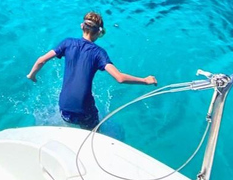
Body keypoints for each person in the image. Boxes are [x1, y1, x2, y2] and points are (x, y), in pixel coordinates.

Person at [26, 12, 157, 130]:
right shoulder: (98, 53)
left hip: (64, 108)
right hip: (84, 110)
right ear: (99, 33)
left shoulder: (67, 43)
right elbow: (120, 78)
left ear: (82, 26)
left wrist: (32, 75)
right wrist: (145, 80)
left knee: (69, 117)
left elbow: (41, 60)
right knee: (94, 134)